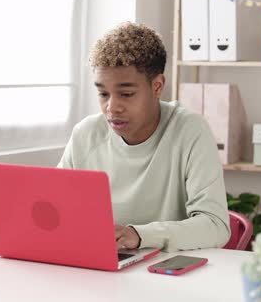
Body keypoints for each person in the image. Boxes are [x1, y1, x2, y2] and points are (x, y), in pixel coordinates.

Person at [58, 22, 230, 251]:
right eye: (103, 93)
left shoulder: (190, 131)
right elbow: (54, 207)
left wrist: (139, 235)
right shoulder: (86, 135)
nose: (112, 107)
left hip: (167, 271)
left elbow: (215, 225)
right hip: (100, 268)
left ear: (157, 86)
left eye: (126, 94)